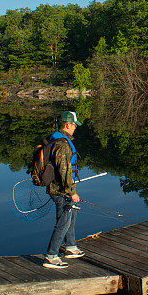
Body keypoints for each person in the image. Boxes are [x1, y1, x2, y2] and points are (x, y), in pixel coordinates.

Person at [43, 111, 85, 269]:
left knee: (71, 215)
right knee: (63, 222)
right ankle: (51, 256)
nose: (75, 128)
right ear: (68, 125)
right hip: (60, 191)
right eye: (74, 125)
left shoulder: (58, 140)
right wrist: (72, 192)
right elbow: (64, 170)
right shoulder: (62, 144)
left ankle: (70, 247)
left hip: (63, 188)